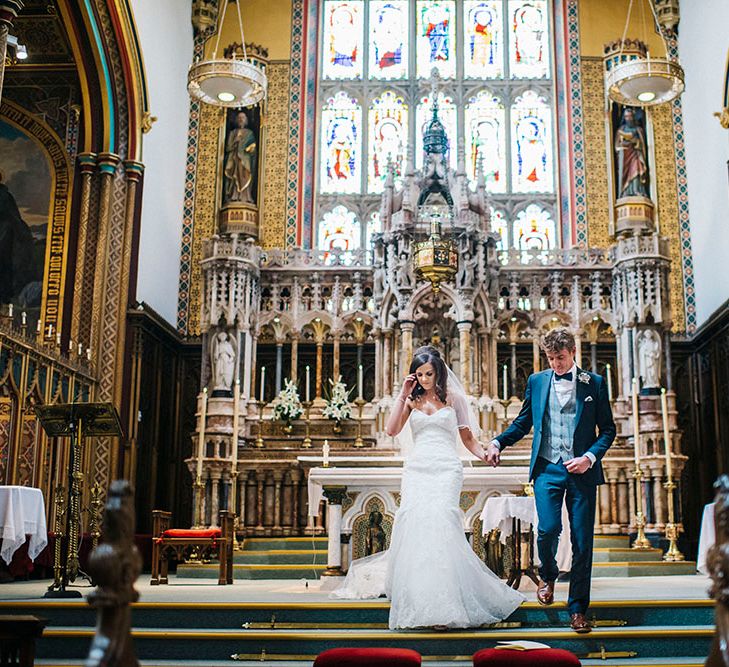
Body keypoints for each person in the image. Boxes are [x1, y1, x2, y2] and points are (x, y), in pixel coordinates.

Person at [332, 347, 524, 630]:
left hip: (446, 468)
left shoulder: (455, 399)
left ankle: (447, 599)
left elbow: (468, 438)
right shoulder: (411, 400)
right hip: (418, 469)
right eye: (419, 374)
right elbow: (392, 430)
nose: (424, 379)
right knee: (417, 525)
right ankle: (421, 597)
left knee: (444, 521)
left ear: (439, 373)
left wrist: (486, 455)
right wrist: (402, 393)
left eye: (429, 374)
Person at [485, 328, 615, 633]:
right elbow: (523, 422)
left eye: (560, 357)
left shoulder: (593, 383)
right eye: (550, 358)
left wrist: (589, 458)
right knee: (547, 528)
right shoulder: (538, 381)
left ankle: (578, 609)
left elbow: (607, 430)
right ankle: (549, 574)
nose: (555, 363)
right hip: (547, 468)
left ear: (572, 352)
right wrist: (497, 442)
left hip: (581, 471)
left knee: (583, 541)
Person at [223, 111, 257, 204]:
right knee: (234, 177)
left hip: (245, 159)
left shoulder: (249, 133)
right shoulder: (232, 133)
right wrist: (235, 141)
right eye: (239, 118)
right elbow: (228, 148)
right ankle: (233, 196)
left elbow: (253, 147)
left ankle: (245, 197)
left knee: (245, 176)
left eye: (243, 118)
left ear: (246, 120)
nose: (241, 119)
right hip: (234, 159)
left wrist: (251, 149)